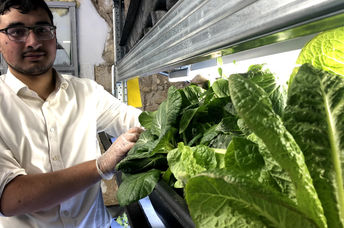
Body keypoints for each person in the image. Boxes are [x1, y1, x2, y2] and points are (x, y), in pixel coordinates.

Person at [0, 0, 143, 227]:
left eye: (42, 30)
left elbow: (134, 121)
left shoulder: (86, 91)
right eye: (17, 31)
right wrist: (101, 166)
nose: (34, 42)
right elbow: (10, 198)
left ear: (54, 35)